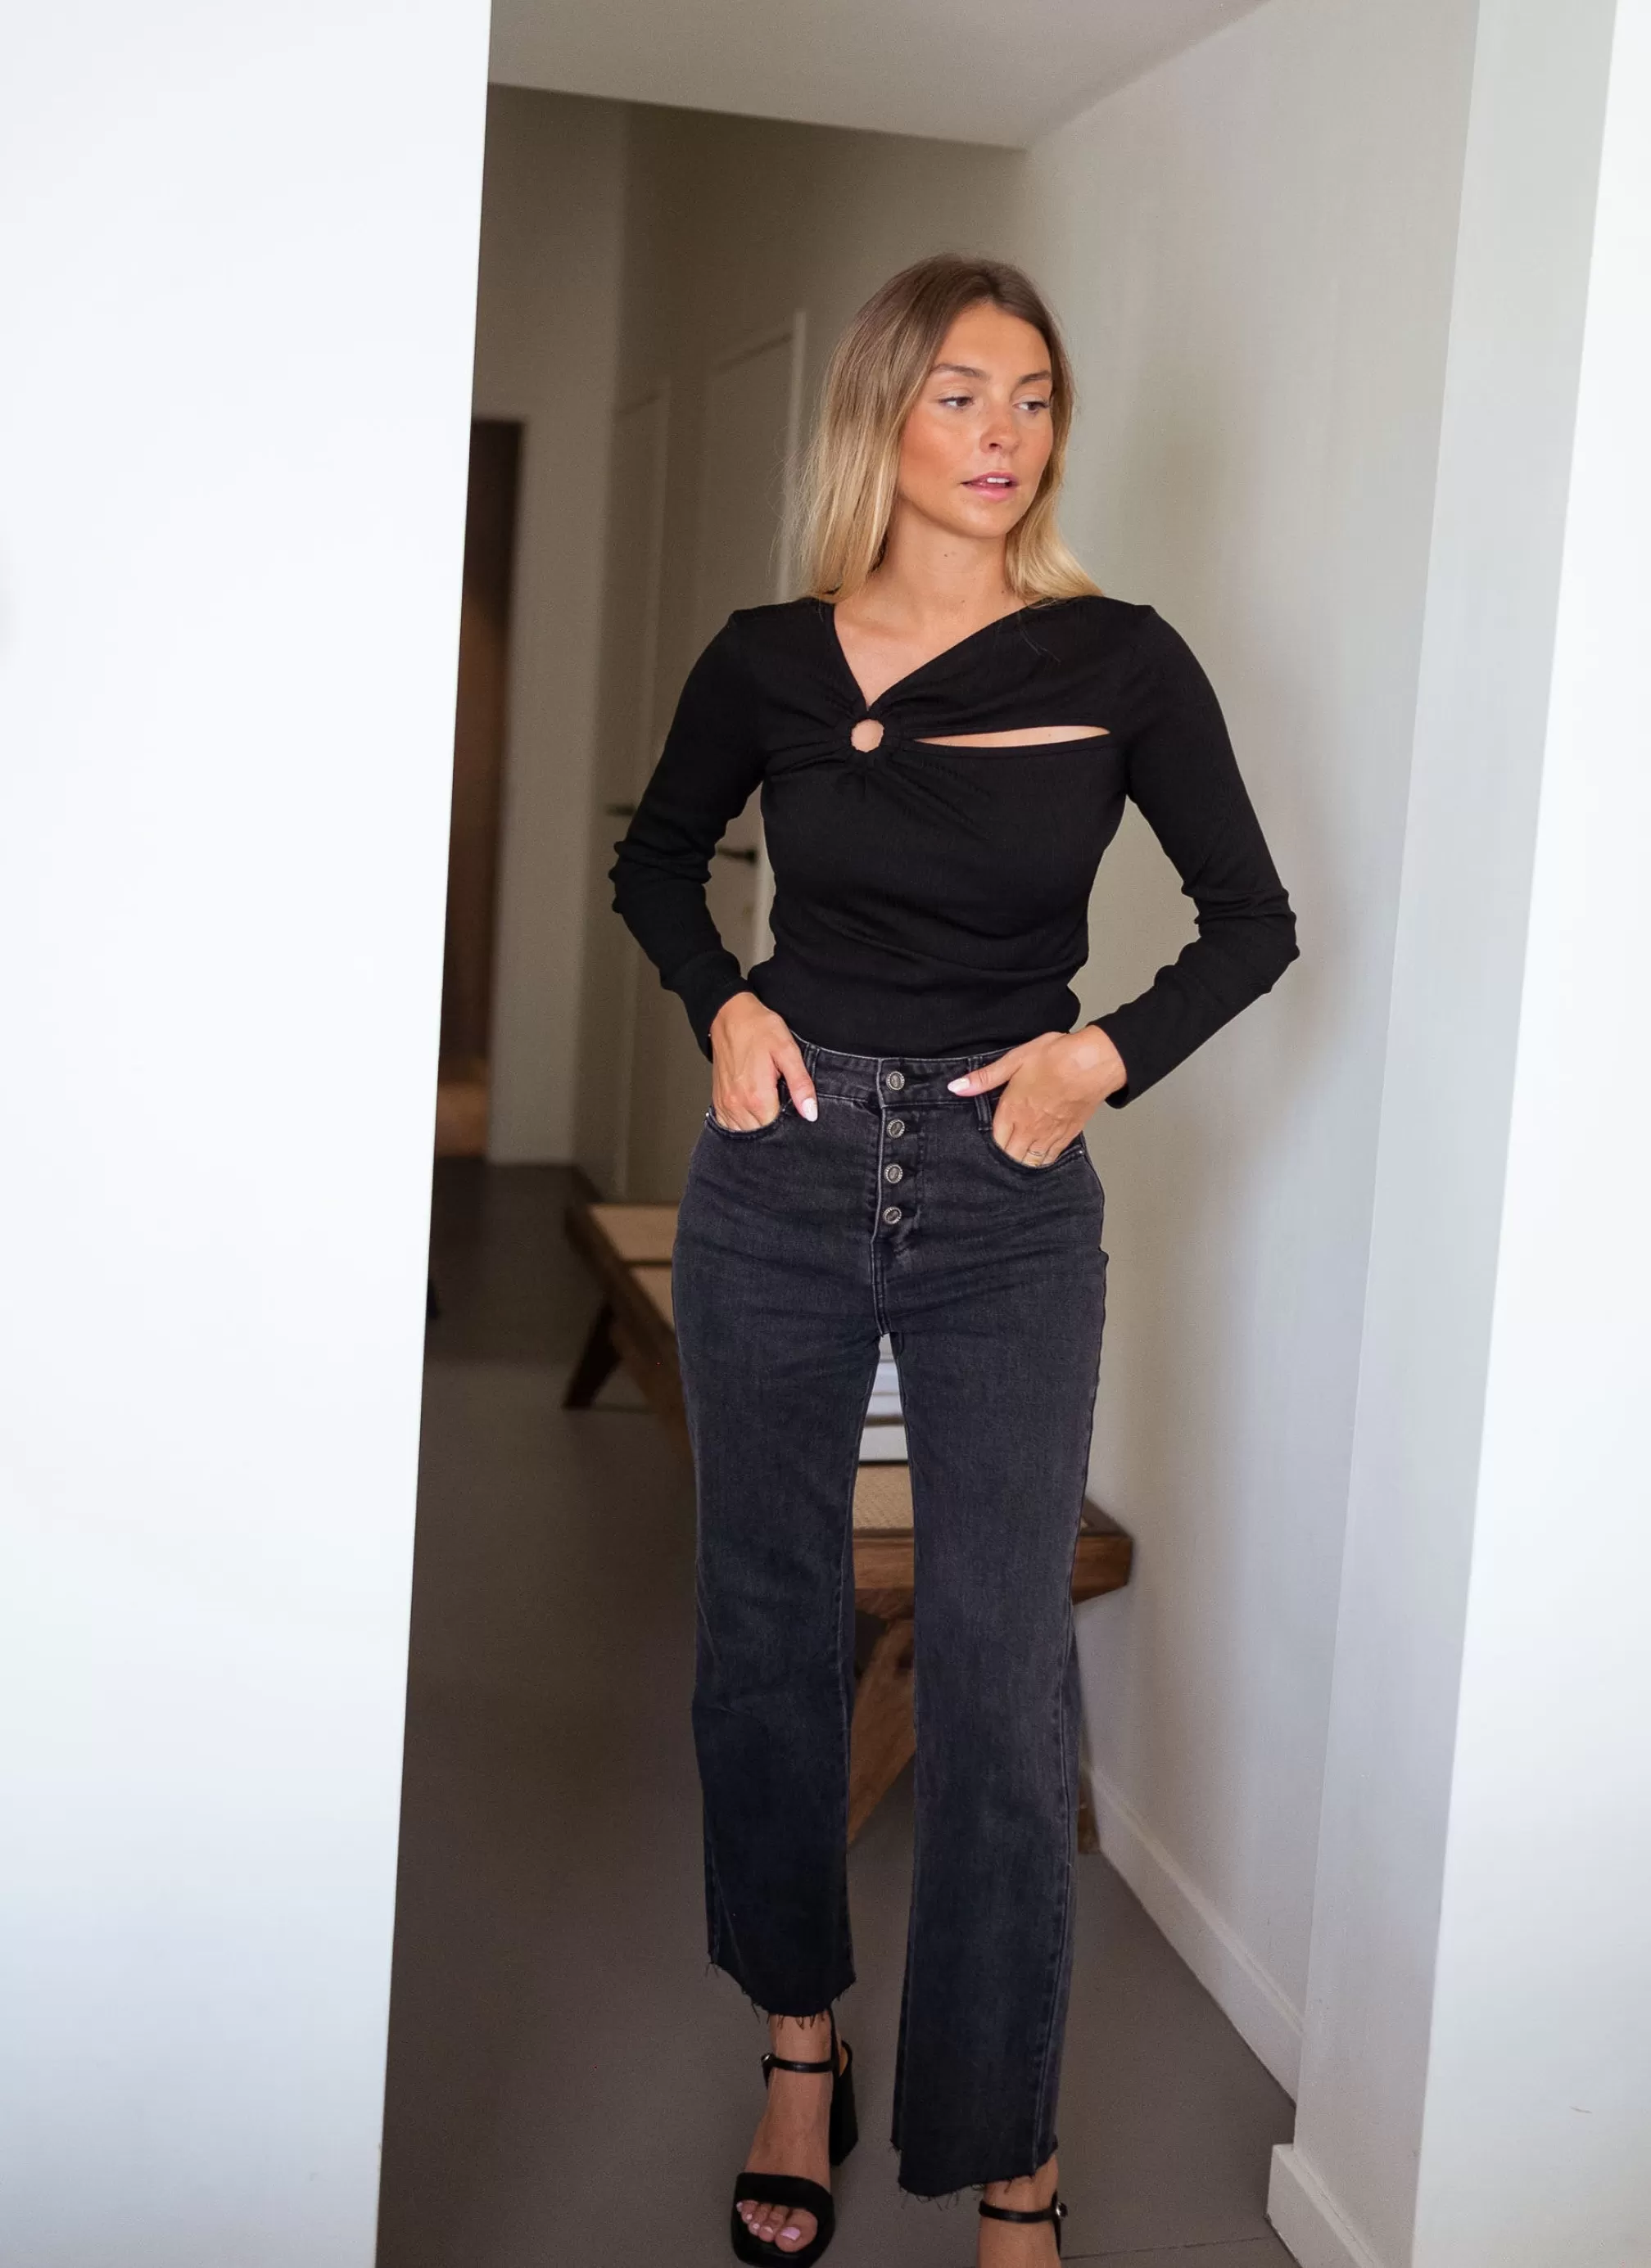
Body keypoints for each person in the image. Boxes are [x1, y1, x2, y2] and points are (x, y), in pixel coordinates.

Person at [608, 253, 1298, 2267]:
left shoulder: (1121, 661)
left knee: (1001, 1678)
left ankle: (1014, 2153)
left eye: (1034, 397)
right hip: (784, 1175)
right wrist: (723, 1004)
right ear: (882, 417)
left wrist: (1098, 1058)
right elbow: (659, 862)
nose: (1004, 436)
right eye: (962, 395)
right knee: (769, 1627)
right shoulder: (766, 660)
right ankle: (798, 2046)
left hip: (1008, 1199)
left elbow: (1251, 919)